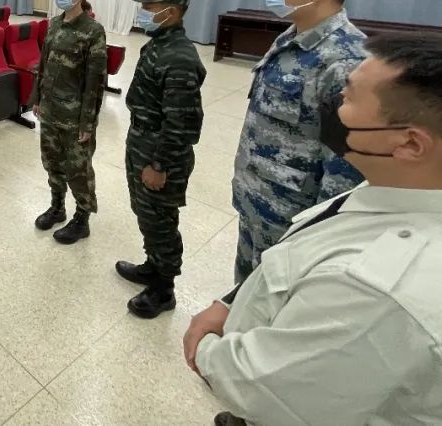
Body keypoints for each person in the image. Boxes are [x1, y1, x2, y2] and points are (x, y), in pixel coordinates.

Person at [185, 32, 442, 426]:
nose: (332, 104)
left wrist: (204, 348)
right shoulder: (398, 187)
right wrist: (232, 303)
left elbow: (266, 388)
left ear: (410, 144)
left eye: (348, 97)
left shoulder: (374, 290)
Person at [233, 0, 367, 282]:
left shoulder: (346, 61)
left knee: (274, 302)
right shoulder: (291, 38)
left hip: (293, 222)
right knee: (245, 292)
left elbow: (346, 170)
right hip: (258, 202)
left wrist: (315, 237)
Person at [116, 0, 206, 319]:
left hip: (160, 151)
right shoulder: (159, 43)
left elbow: (182, 122)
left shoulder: (179, 57)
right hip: (144, 140)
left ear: (173, 11)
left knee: (161, 220)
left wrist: (159, 164)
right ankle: (152, 265)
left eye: (150, 7)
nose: (143, 12)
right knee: (147, 213)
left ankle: (163, 288)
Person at [31, 0, 107, 243]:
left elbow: (95, 82)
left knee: (78, 169)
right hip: (50, 110)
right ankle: (57, 207)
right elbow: (43, 65)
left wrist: (88, 122)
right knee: (52, 162)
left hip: (75, 116)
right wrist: (37, 98)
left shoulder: (93, 31)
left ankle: (82, 219)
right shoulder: (54, 24)